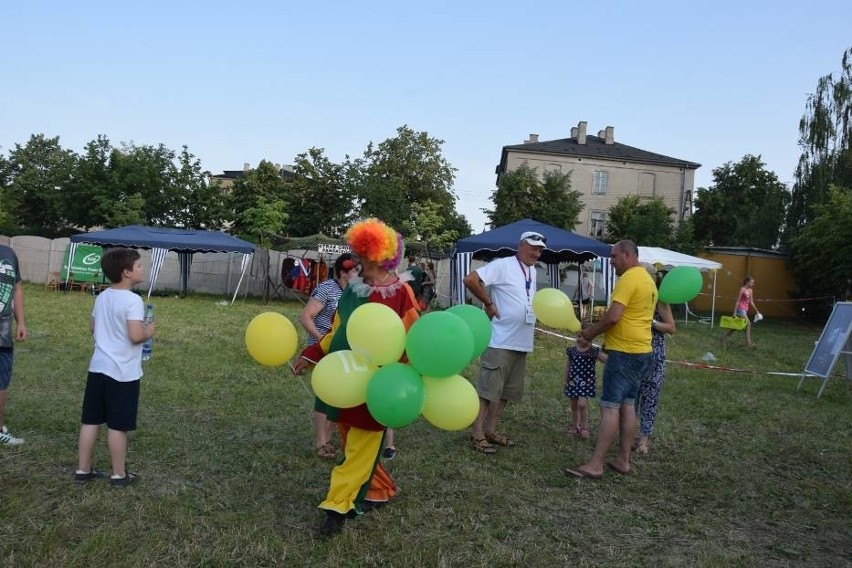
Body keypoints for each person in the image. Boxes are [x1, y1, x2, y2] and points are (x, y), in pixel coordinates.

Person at [292, 218, 419, 537]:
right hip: (343, 378)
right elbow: (336, 330)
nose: (356, 261)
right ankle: (379, 490)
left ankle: (338, 505)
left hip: (376, 387)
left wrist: (404, 380)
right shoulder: (352, 293)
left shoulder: (401, 294)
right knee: (354, 445)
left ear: (378, 255)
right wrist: (311, 355)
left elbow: (414, 338)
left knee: (360, 448)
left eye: (361, 255)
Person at [566, 240, 655, 478]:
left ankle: (596, 464)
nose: (611, 261)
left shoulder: (628, 279)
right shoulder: (648, 279)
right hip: (642, 351)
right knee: (628, 405)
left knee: (610, 408)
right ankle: (623, 460)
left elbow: (614, 316)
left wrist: (590, 332)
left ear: (627, 255)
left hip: (624, 353)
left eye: (614, 256)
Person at [75, 248, 156, 486]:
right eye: (139, 266)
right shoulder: (133, 300)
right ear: (127, 272)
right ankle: (119, 475)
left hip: (98, 368)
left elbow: (93, 327)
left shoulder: (102, 296)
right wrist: (148, 331)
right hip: (123, 373)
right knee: (117, 425)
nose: (142, 269)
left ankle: (82, 470)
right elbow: (135, 336)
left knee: (90, 420)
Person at [463, 230, 546, 454]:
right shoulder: (503, 265)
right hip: (500, 340)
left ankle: (490, 430)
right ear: (521, 245)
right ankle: (477, 433)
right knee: (489, 391)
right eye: (533, 248)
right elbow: (470, 279)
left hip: (521, 341)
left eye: (539, 250)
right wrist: (489, 303)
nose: (536, 253)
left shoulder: (533, 272)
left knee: (507, 393)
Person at [298, 253, 358, 459]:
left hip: (343, 351)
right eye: (355, 270)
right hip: (322, 349)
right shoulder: (327, 289)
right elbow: (305, 317)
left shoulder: (355, 292)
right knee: (325, 396)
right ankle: (320, 442)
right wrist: (322, 338)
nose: (359, 274)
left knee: (338, 397)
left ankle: (328, 439)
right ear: (343, 272)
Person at [635, 265, 676, 455]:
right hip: (634, 351)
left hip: (654, 354)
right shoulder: (636, 296)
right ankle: (627, 434)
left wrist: (651, 323)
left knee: (650, 397)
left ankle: (643, 440)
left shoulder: (660, 300)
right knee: (632, 395)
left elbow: (671, 327)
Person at [0, 244, 28, 445]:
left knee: (1, 380)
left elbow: (17, 288)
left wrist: (21, 322)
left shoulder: (9, 253)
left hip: (3, 332)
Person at [564, 334, 606, 440]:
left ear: (590, 338)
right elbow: (568, 365)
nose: (580, 338)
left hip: (586, 382)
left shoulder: (593, 351)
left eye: (584, 336)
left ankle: (584, 428)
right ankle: (575, 426)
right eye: (578, 335)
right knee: (574, 405)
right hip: (573, 382)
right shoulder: (572, 350)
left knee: (582, 405)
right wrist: (566, 379)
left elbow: (606, 360)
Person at [723, 276, 761, 348]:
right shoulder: (742, 289)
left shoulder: (750, 290)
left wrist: (757, 310)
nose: (753, 284)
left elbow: (751, 302)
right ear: (747, 282)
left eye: (753, 283)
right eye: (752, 282)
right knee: (748, 324)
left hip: (745, 310)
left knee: (737, 326)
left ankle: (723, 337)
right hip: (740, 309)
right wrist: (734, 312)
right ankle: (748, 343)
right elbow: (738, 301)